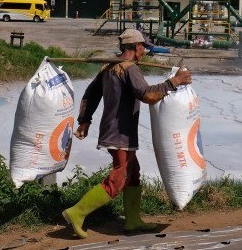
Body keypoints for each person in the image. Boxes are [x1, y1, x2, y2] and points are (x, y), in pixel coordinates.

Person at [62, 28, 192, 238]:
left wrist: (84, 121)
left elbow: (90, 94)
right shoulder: (129, 69)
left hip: (117, 130)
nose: (145, 52)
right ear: (135, 47)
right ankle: (77, 213)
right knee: (119, 177)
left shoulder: (108, 67)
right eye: (143, 48)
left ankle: (132, 221)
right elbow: (147, 95)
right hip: (119, 132)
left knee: (133, 173)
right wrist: (173, 82)